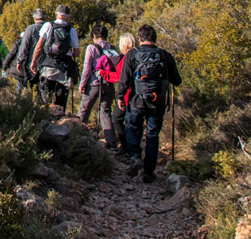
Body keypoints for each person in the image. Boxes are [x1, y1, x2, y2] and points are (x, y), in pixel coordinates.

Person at [117, 25, 182, 183]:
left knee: (131, 126)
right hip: (157, 102)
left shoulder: (133, 54)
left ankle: (135, 155)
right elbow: (177, 80)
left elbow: (124, 79)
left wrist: (120, 96)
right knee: (152, 135)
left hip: (136, 100)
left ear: (139, 38)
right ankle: (148, 172)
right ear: (155, 38)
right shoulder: (164, 55)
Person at [78, 25, 121, 148]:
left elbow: (87, 68)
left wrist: (82, 84)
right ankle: (112, 142)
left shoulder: (91, 48)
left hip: (94, 84)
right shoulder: (112, 49)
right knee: (106, 112)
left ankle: (77, 136)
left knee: (84, 110)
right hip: (108, 84)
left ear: (94, 36)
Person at [30, 5, 80, 110]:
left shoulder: (48, 26)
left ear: (56, 14)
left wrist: (34, 62)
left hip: (48, 65)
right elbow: (76, 53)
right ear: (68, 16)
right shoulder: (71, 30)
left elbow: (39, 46)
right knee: (61, 100)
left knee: (45, 97)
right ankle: (61, 121)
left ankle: (45, 118)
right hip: (64, 68)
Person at [109, 33, 137, 153]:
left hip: (127, 95)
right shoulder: (139, 55)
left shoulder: (127, 58)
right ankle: (133, 149)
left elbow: (119, 77)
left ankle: (126, 146)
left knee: (117, 118)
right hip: (140, 94)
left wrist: (104, 73)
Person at [13, 9, 47, 96]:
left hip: (30, 64)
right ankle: (43, 107)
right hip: (46, 64)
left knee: (25, 90)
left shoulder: (31, 28)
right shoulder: (50, 27)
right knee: (42, 91)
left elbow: (24, 46)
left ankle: (22, 107)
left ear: (35, 18)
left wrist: (19, 61)